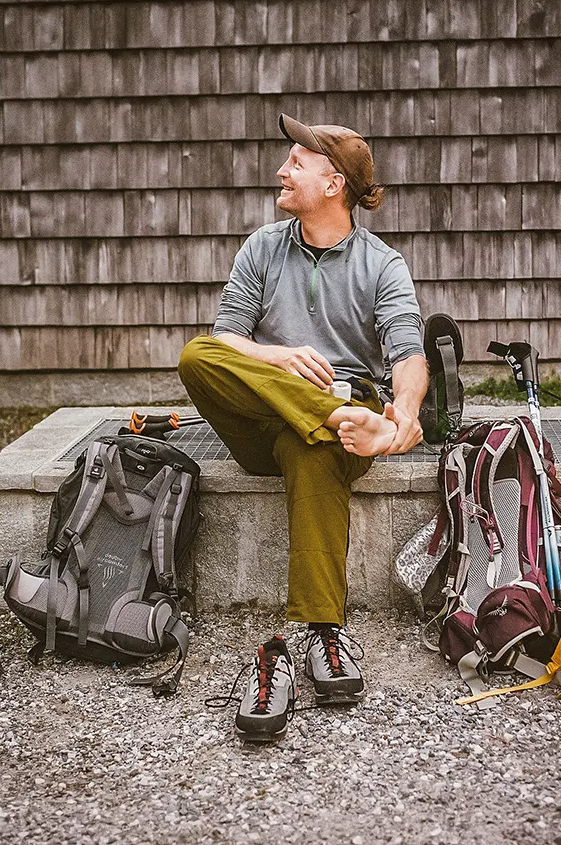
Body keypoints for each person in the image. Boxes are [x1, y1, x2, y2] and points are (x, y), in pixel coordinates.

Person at [178, 113, 427, 740]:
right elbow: (226, 340)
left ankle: (320, 633)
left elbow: (408, 355)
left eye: (297, 163)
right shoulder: (263, 246)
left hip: (333, 423)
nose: (281, 172)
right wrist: (280, 358)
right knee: (196, 355)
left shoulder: (381, 264)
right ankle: (339, 418)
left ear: (333, 184)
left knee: (313, 447)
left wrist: (406, 416)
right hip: (272, 412)